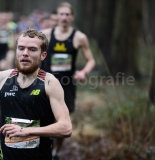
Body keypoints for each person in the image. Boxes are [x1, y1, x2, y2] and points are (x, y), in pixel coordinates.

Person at [0, 28, 72, 160]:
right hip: (4, 156)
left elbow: (66, 127)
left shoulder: (50, 83)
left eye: (32, 49)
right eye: (21, 48)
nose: (25, 53)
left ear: (43, 55)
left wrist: (26, 131)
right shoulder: (1, 77)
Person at [41, 2, 95, 159]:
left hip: (67, 84)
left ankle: (55, 152)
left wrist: (83, 72)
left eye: (67, 14)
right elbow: (32, 51)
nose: (64, 17)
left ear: (72, 17)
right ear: (56, 16)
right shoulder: (46, 34)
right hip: (46, 83)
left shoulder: (79, 37)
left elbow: (91, 60)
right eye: (61, 14)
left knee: (62, 121)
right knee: (44, 117)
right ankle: (45, 148)